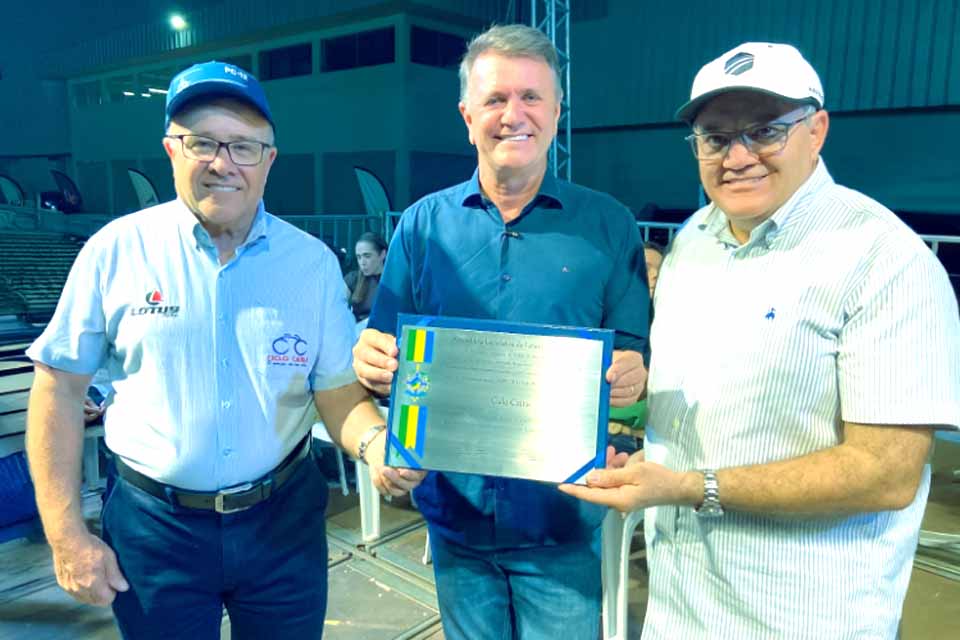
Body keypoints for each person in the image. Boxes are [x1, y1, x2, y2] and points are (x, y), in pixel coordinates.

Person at [561, 42, 960, 639]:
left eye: (766, 131)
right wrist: (658, 460)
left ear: (816, 129)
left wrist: (690, 486)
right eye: (716, 138)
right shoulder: (694, 239)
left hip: (802, 615)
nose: (738, 156)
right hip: (680, 605)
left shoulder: (885, 260)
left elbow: (886, 473)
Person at [25, 60, 423, 640]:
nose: (222, 163)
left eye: (243, 147)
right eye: (202, 142)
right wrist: (65, 534)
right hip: (154, 528)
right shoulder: (115, 251)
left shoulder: (310, 265)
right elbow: (58, 391)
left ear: (269, 160)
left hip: (282, 524)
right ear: (171, 150)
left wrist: (375, 443)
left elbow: (335, 388)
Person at [352, 24, 650, 640]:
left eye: (531, 97)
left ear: (557, 111)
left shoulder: (608, 225)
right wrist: (372, 361)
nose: (514, 114)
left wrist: (633, 369)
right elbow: (387, 350)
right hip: (455, 520)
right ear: (467, 115)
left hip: (563, 520)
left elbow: (634, 349)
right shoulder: (421, 226)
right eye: (495, 100)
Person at [343, 231, 387, 322]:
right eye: (359, 257)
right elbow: (336, 304)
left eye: (367, 256)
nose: (362, 262)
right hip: (359, 332)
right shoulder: (353, 278)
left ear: (382, 254)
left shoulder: (394, 279)